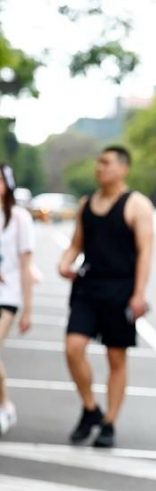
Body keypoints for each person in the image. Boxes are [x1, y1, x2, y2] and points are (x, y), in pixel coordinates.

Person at [59, 146, 154, 448]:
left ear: (123, 168)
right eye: (98, 163)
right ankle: (90, 409)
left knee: (116, 357)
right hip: (87, 287)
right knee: (73, 347)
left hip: (121, 289)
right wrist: (65, 261)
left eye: (106, 163)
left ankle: (109, 421)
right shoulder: (87, 203)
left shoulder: (137, 204)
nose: (100, 168)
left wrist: (139, 294)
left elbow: (145, 252)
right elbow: (76, 244)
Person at [0, 163, 35, 435]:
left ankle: (4, 406)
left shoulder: (20, 218)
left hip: (7, 295)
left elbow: (26, 265)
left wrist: (28, 309)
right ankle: (5, 403)